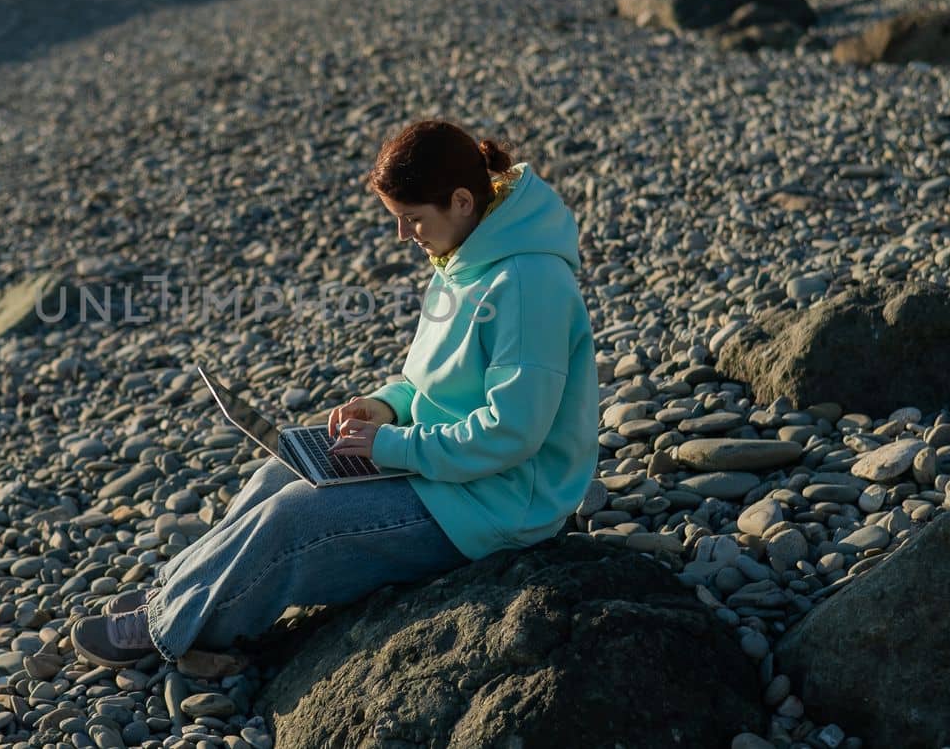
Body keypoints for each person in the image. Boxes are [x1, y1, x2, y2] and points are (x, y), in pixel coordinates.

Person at [69, 119, 599, 669]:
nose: (403, 235)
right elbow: (429, 382)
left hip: (499, 503)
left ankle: (176, 627)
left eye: (411, 219)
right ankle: (173, 596)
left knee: (296, 517)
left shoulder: (526, 285)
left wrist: (388, 447)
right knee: (276, 476)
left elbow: (512, 433)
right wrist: (386, 406)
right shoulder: (464, 254)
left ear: (462, 200)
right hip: (450, 469)